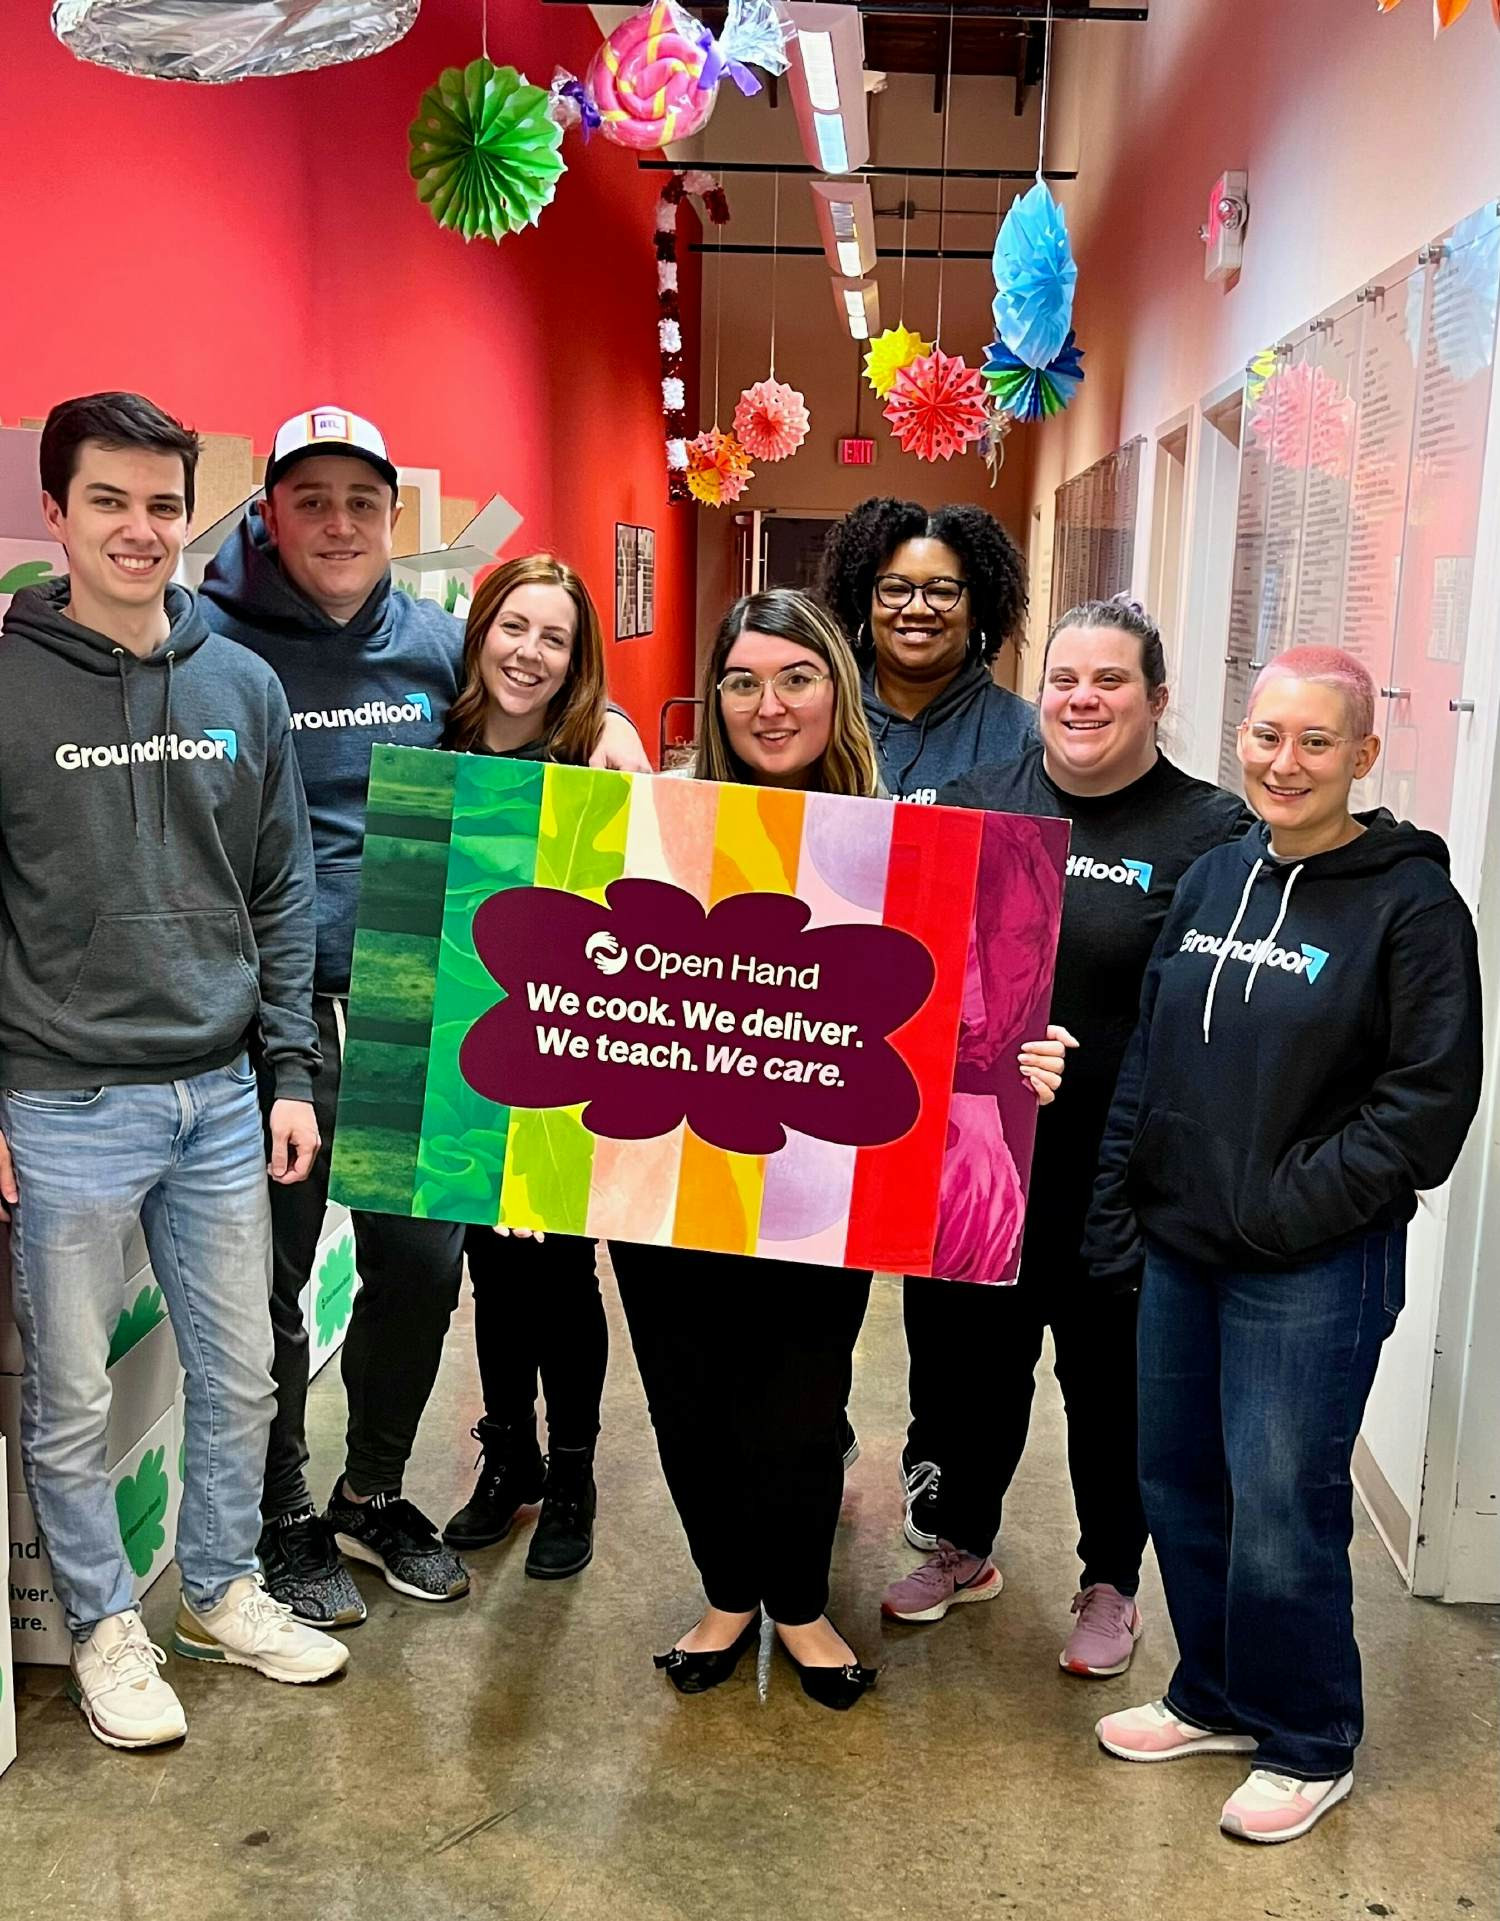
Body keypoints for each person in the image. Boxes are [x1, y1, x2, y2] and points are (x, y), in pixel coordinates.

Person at [200, 409, 649, 1625]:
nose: (338, 523)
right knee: (274, 1284)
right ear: (271, 512)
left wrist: (606, 725)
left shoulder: (437, 649)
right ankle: (278, 1511)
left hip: (423, 999)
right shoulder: (213, 645)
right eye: (312, 500)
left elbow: (534, 694)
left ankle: (372, 1491)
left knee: (419, 1267)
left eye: (362, 501)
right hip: (275, 1013)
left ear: (394, 517)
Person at [609, 588, 1071, 1710]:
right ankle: (726, 1592)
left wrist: (1024, 1061)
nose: (769, 706)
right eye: (741, 682)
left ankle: (802, 1603)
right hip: (666, 1168)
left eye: (796, 677)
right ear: (713, 699)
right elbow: (594, 990)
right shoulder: (655, 816)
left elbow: (967, 1013)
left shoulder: (904, 837)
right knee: (685, 1389)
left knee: (800, 1397)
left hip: (827, 1179)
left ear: (836, 687)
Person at [1086, 645, 1482, 1844]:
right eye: (1267, 735)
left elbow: (1426, 1108)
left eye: (1317, 741)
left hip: (1312, 1267)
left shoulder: (1413, 905)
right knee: (1180, 1483)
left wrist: (1285, 1206)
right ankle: (1213, 1691)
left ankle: (1310, 1738)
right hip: (1182, 1250)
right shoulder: (1210, 881)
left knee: (1283, 1503)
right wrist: (1121, 1198)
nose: (1285, 761)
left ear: (1364, 754)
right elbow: (1149, 1056)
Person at [0, 392, 348, 1751]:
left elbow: (279, 888)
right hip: (64, 1098)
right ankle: (101, 1623)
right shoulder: (11, 682)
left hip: (218, 1094)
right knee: (73, 1395)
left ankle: (221, 1585)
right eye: (109, 502)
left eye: (161, 505)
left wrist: (287, 1071)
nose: (139, 531)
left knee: (245, 1367)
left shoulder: (238, 686)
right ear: (56, 515)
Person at [881, 599, 1252, 1676]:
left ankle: (1110, 1581)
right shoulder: (972, 806)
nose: (1082, 698)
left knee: (1110, 1384)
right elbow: (910, 973)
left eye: (1111, 680)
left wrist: (1090, 1064)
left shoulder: (1212, 833)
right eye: (1064, 678)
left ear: (1158, 699)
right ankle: (963, 1545)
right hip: (978, 1161)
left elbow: (1211, 1013)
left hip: (1117, 1169)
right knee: (962, 1369)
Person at [437, 554, 621, 1580]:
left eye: (554, 638)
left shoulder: (596, 760)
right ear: (481, 633)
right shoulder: (439, 746)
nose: (530, 653)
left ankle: (576, 1470)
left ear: (575, 658)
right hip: (464, 1052)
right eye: (515, 628)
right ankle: (510, 1456)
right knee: (490, 1271)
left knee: (560, 1270)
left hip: (568, 1065)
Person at [818, 496, 1035, 803]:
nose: (917, 608)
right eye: (895, 589)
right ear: (864, 603)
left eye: (941, 591)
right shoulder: (822, 717)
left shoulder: (1024, 735)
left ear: (976, 611)